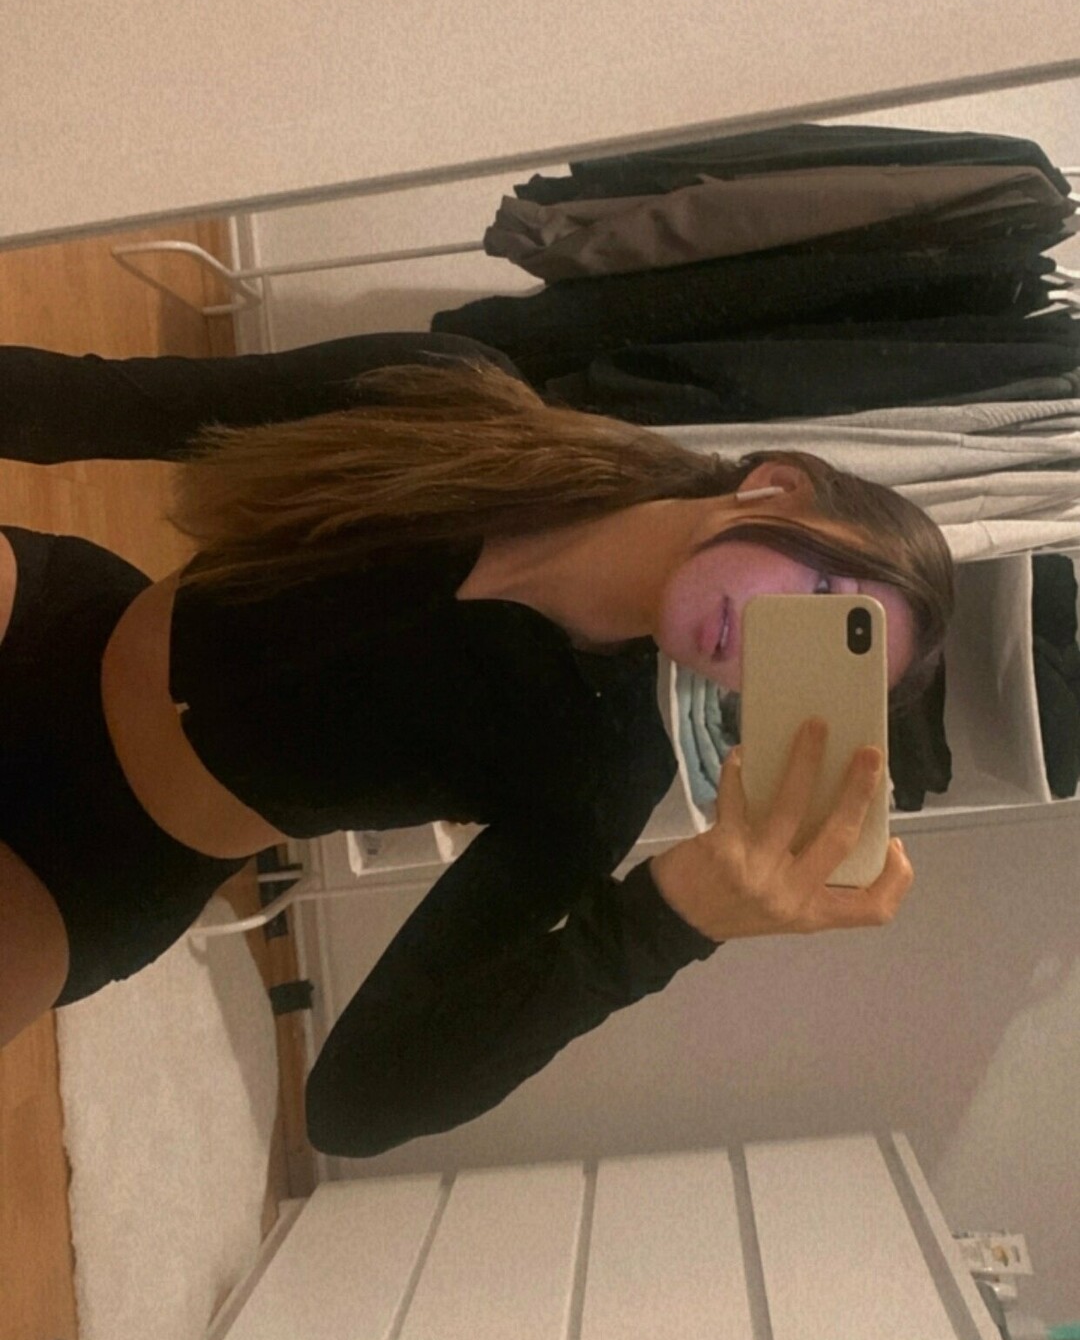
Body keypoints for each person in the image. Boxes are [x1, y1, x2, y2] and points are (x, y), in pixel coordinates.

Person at [0, 331, 954, 1158]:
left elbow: (352, 1104)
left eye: (808, 663)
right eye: (825, 595)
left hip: (87, 875)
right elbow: (113, 404)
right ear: (778, 486)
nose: (767, 646)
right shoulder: (455, 401)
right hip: (46, 626)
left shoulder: (604, 769)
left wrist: (665, 925)